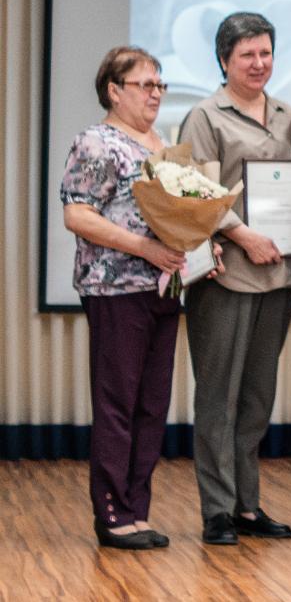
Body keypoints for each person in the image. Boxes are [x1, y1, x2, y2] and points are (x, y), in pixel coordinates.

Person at [61, 47, 217, 549]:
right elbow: (78, 214)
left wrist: (198, 240)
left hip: (163, 287)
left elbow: (175, 211)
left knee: (151, 405)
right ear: (114, 90)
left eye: (160, 86)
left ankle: (136, 510)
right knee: (117, 404)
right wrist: (144, 247)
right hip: (115, 287)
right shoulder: (96, 141)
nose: (156, 94)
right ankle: (112, 514)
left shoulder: (159, 142)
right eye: (145, 85)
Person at [179, 12, 291, 545]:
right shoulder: (205, 116)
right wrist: (244, 235)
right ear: (224, 61)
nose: (259, 64)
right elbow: (193, 189)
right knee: (219, 396)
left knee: (257, 396)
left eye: (266, 53)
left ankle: (247, 507)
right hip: (227, 273)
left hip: (279, 273)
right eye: (247, 55)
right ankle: (216, 508)